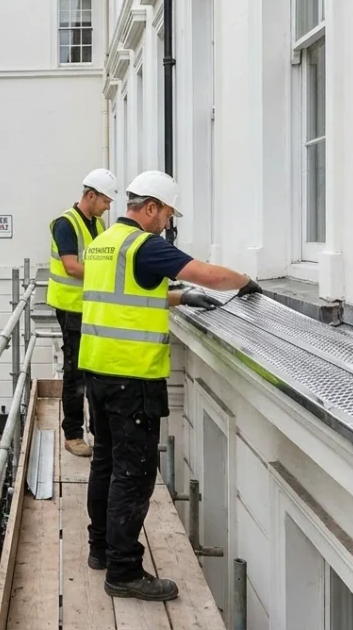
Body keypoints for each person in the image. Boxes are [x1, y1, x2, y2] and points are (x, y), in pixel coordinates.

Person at [79, 171, 262, 602]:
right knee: (134, 474)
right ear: (150, 208)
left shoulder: (103, 244)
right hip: (132, 380)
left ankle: (100, 550)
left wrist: (178, 298)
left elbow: (127, 294)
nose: (166, 223)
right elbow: (209, 275)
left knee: (105, 464)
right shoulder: (146, 245)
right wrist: (246, 281)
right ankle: (124, 572)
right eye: (166, 214)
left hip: (98, 373)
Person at [47, 168, 118, 457]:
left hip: (90, 308)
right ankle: (73, 434)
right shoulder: (66, 223)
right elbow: (72, 267)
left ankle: (95, 429)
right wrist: (110, 279)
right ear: (90, 195)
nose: (108, 206)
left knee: (93, 369)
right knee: (75, 371)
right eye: (105, 200)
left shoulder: (97, 225)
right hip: (71, 308)